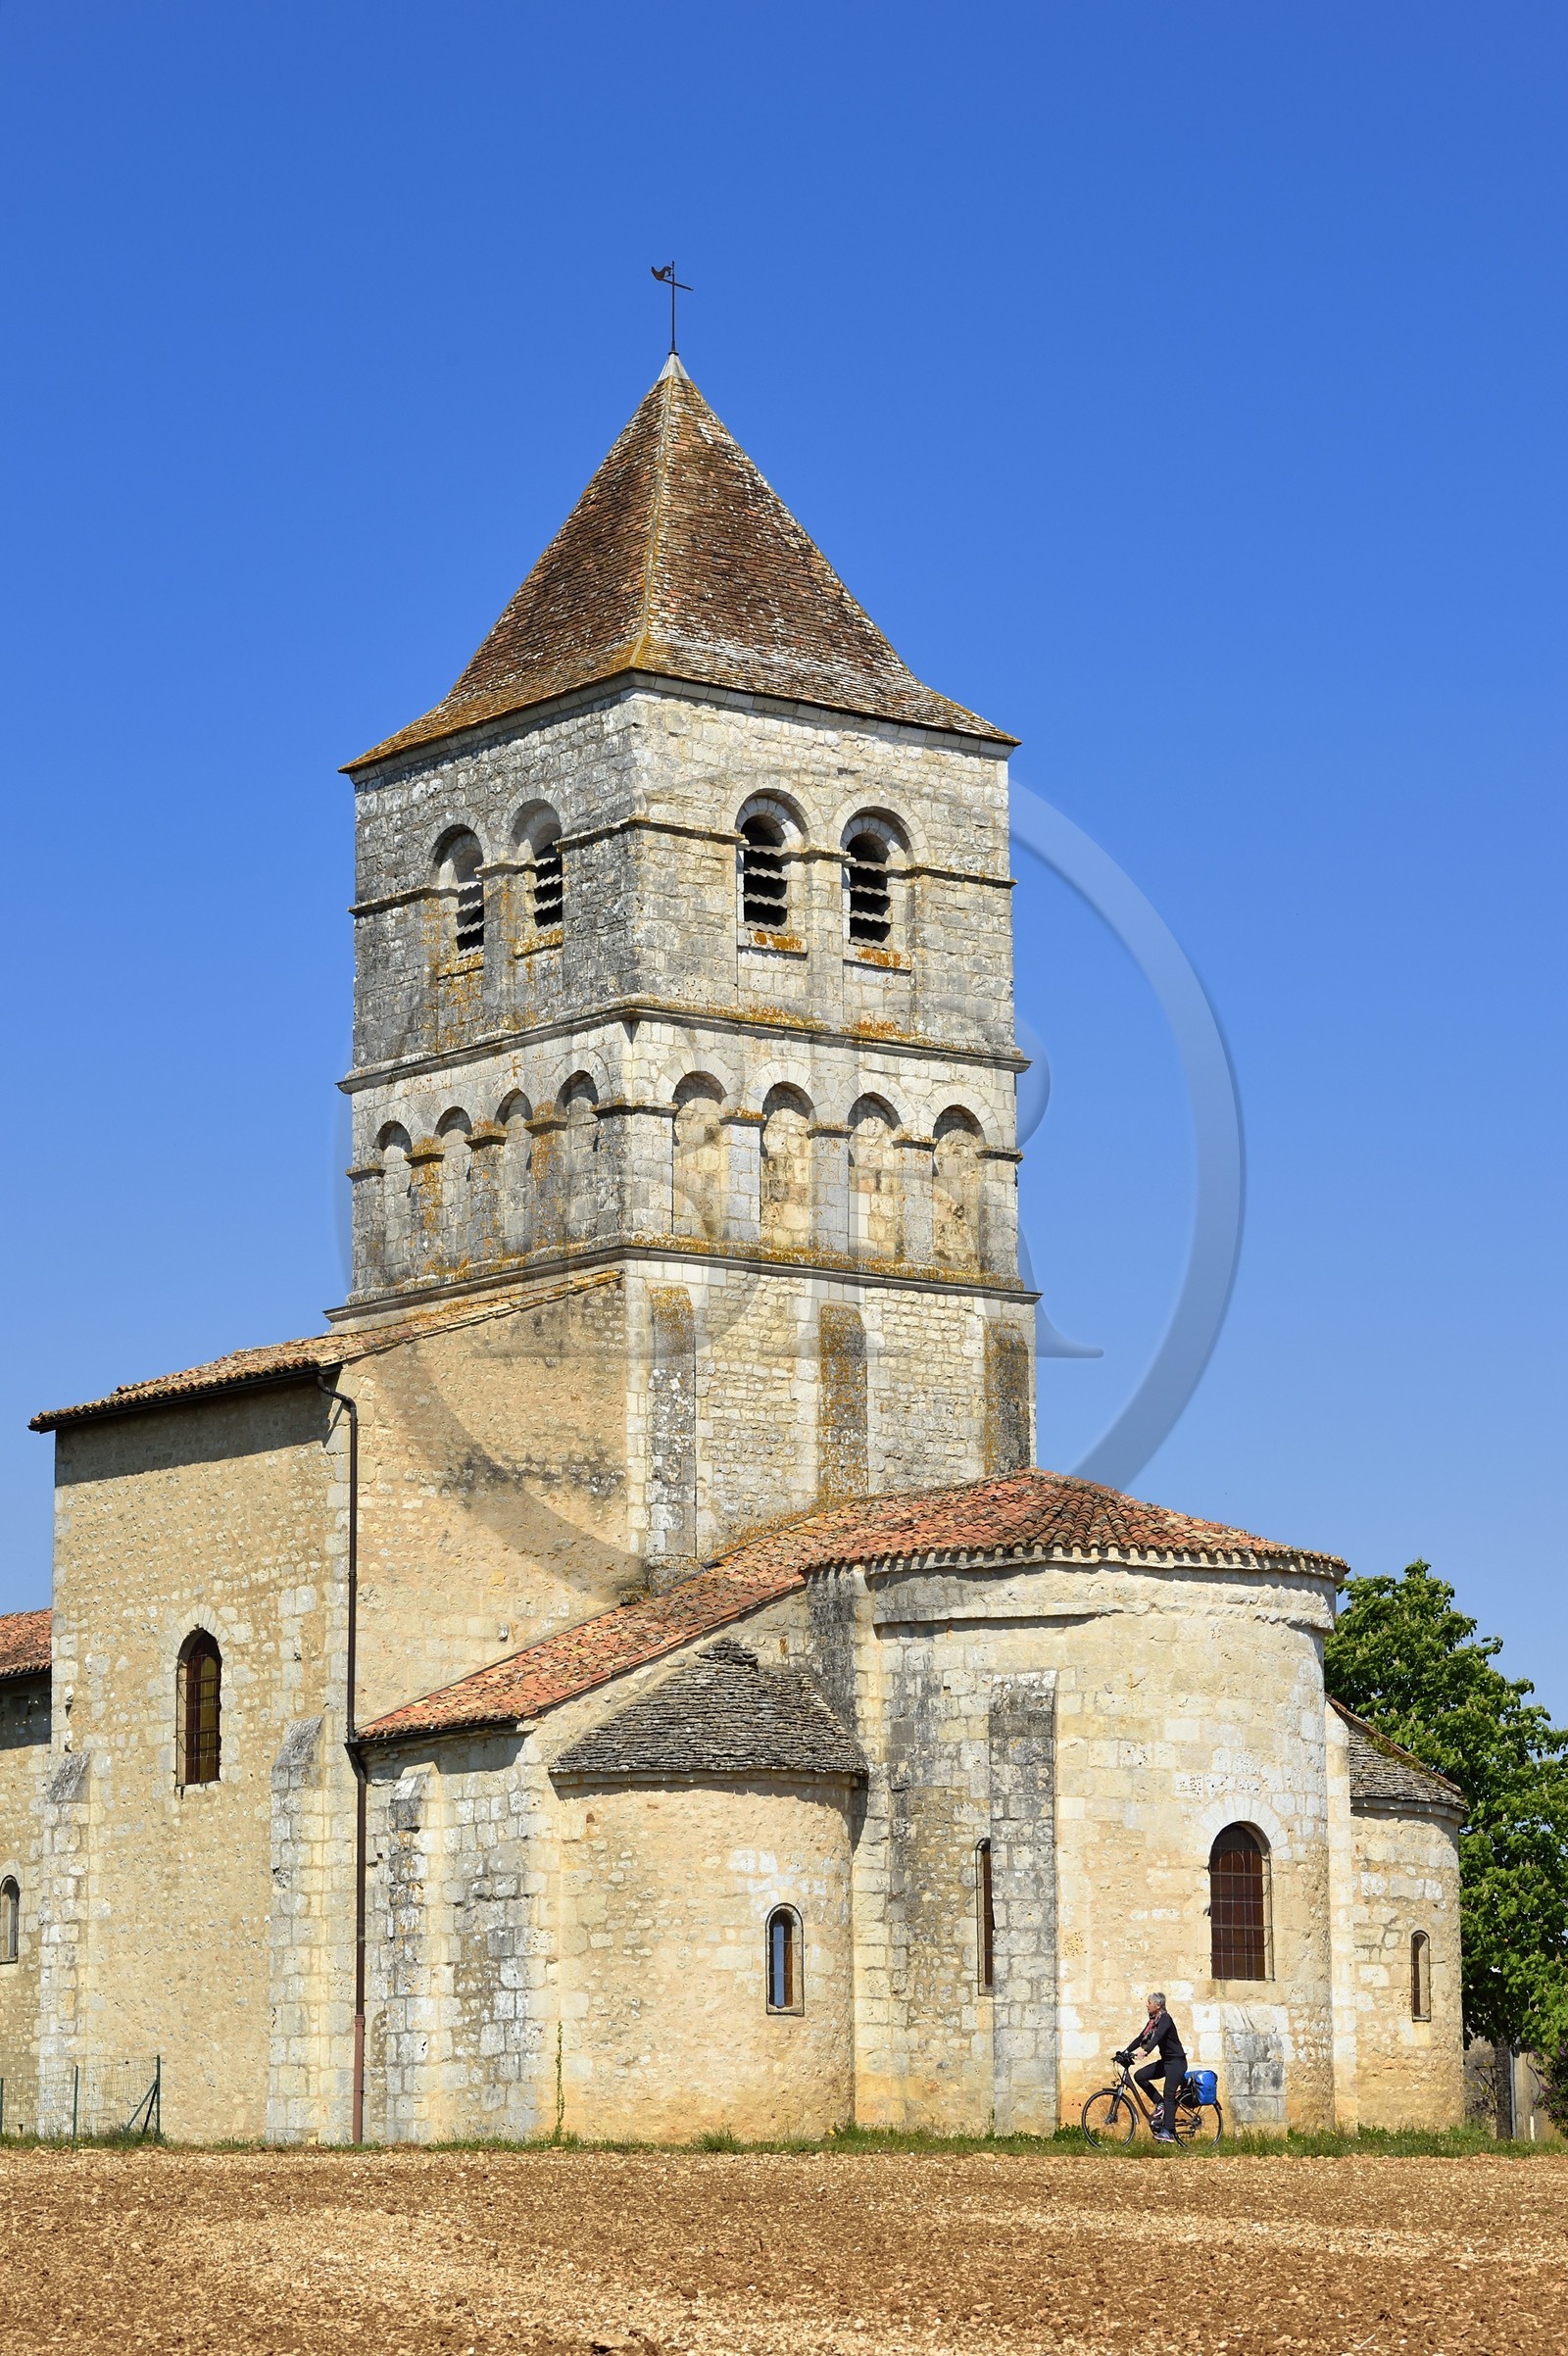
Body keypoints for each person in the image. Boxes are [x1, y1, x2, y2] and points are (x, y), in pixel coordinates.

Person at [1116, 1991, 1188, 2142]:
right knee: (1140, 2076)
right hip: (1166, 2062)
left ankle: (1168, 2132)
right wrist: (1125, 2052)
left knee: (1169, 2094)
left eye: (1149, 2003)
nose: (1146, 2005)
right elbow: (1141, 2037)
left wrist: (1146, 2051)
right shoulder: (1153, 2022)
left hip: (1176, 2062)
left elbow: (1158, 2036)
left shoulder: (1165, 2019)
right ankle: (1160, 2103)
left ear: (1158, 2005)